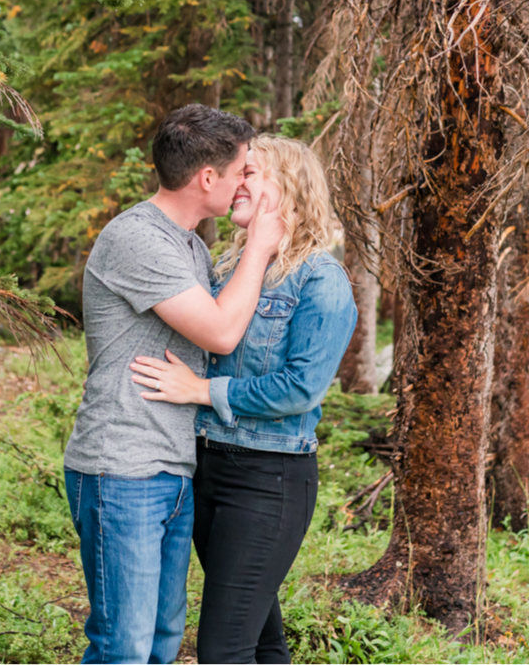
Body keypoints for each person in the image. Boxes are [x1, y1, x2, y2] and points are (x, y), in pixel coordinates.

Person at [63, 104, 285, 665]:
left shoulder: (189, 245)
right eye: (241, 172)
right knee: (124, 648)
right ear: (207, 178)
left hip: (171, 468)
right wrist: (260, 243)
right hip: (123, 468)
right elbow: (220, 333)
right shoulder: (138, 239)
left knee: (160, 644)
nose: (244, 185)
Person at [130, 135, 358, 664]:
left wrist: (203, 391)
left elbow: (302, 388)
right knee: (259, 641)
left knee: (222, 650)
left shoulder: (322, 280)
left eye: (250, 173)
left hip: (269, 480)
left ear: (291, 189)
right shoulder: (227, 270)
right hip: (207, 469)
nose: (237, 183)